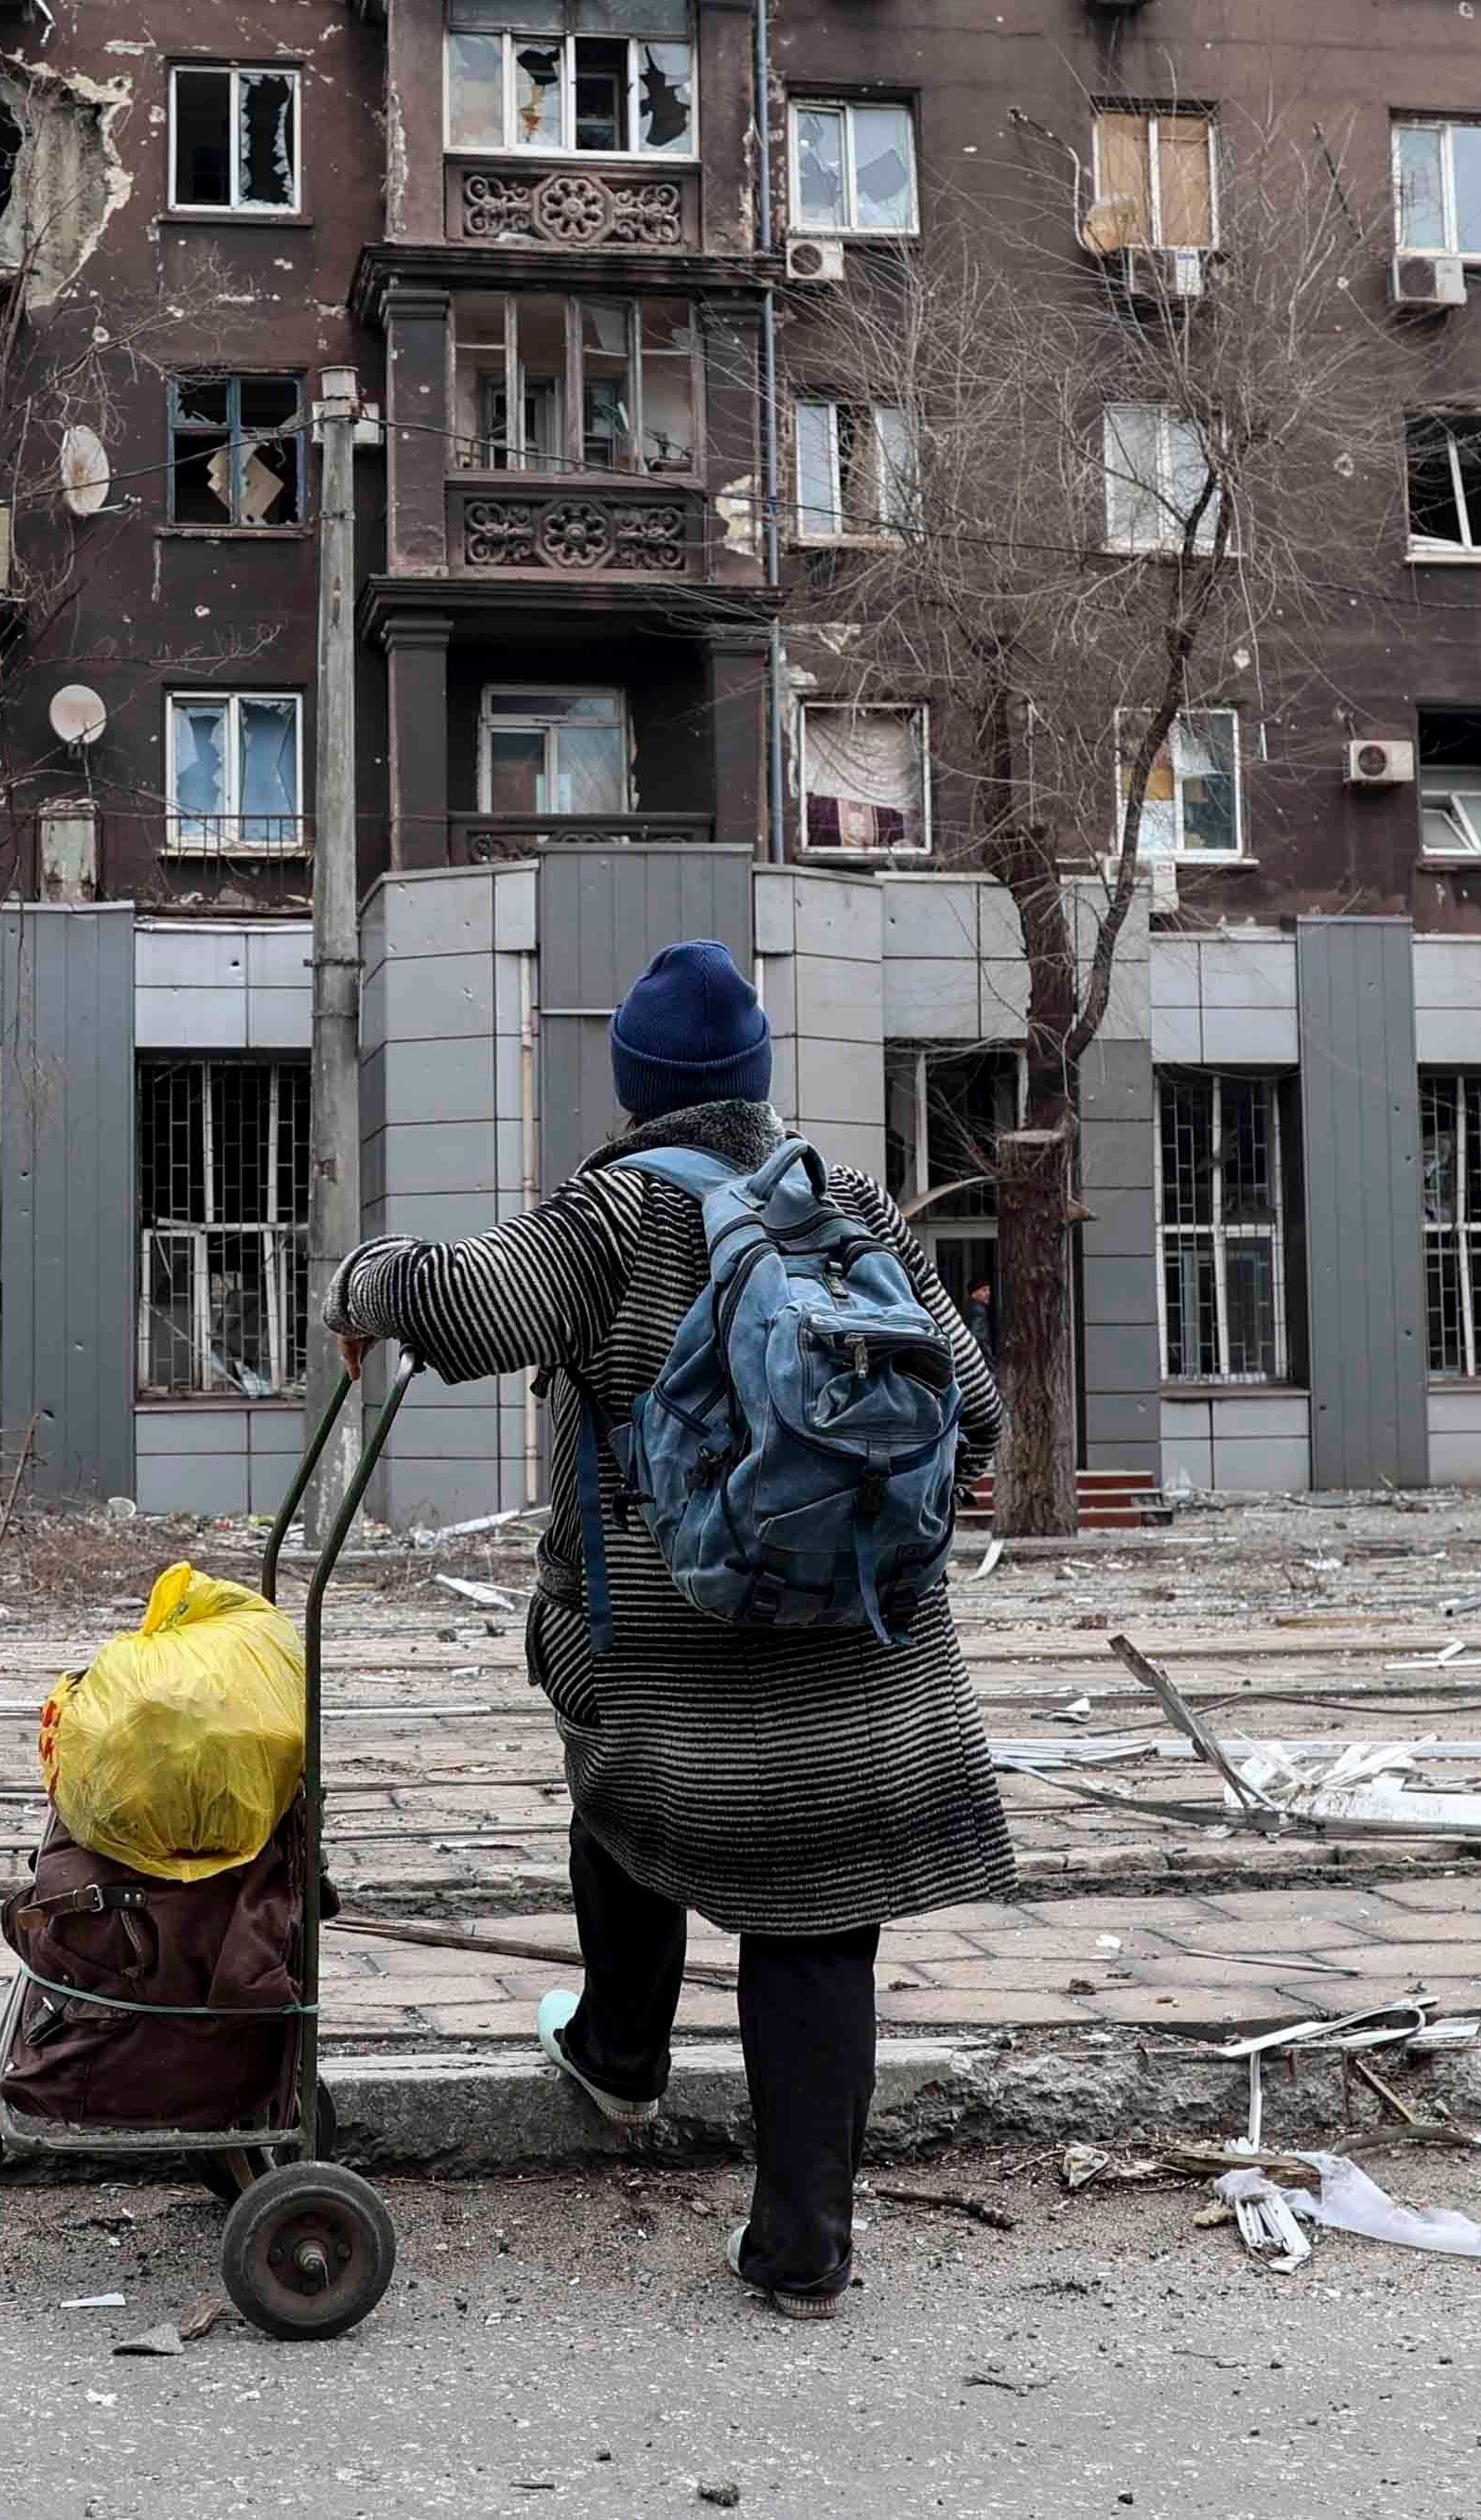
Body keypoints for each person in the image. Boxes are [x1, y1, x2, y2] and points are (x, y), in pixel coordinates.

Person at [327, 938, 1008, 2319]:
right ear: (755, 1083)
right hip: (871, 1655)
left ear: (635, 1087)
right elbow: (977, 1410)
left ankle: (622, 2054)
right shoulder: (848, 1202)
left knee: (619, 1786)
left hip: (673, 1659)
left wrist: (362, 1279)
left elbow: (459, 1300)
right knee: (820, 1924)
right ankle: (804, 2245)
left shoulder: (614, 1215)